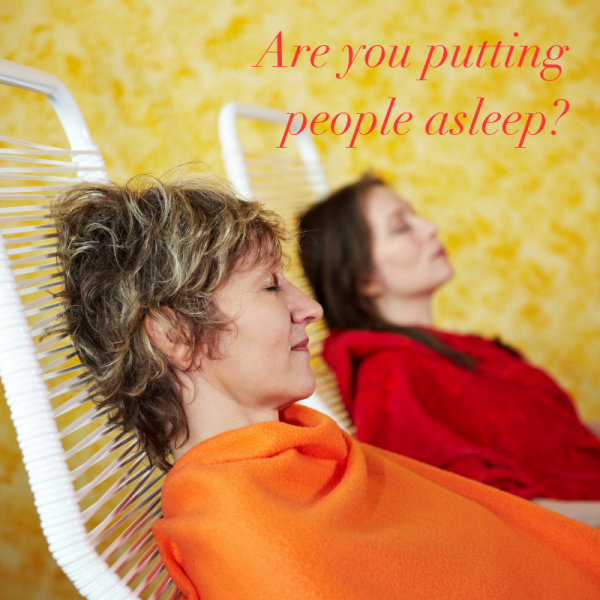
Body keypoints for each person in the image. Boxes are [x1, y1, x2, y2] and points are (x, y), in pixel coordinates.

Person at [51, 168, 600, 600]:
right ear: (174, 334)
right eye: (270, 287)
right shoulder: (238, 531)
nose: (311, 309)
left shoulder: (305, 462)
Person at [299, 173, 600, 528]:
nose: (430, 228)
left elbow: (554, 441)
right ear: (366, 279)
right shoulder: (389, 379)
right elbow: (486, 511)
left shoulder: (452, 350)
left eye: (415, 216)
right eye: (401, 227)